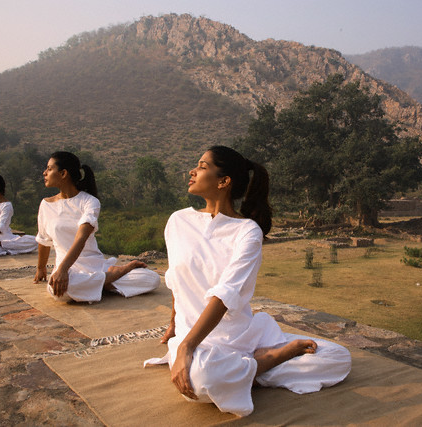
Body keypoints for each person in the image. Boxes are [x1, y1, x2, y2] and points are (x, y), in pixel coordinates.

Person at [145, 146, 351, 417]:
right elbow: (176, 280)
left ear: (223, 181)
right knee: (200, 382)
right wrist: (175, 327)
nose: (192, 171)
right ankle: (263, 363)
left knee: (338, 357)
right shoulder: (178, 221)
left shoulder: (246, 232)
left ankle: (251, 365)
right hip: (197, 339)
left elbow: (225, 295)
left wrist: (185, 348)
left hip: (238, 335)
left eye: (202, 166)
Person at [33, 151, 160, 302]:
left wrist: (62, 269)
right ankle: (107, 280)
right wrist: (41, 268)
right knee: (57, 290)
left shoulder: (89, 201)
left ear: (63, 173)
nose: (44, 172)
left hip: (93, 265)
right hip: (70, 270)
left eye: (49, 168)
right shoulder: (46, 205)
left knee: (151, 279)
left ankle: (101, 280)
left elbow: (81, 237)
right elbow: (43, 240)